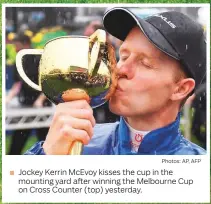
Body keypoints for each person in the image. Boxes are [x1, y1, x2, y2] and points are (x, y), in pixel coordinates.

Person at [25, 8, 206, 155]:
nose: (120, 70)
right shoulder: (76, 141)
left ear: (181, 89)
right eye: (123, 56)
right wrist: (47, 160)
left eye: (144, 63)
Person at [6, 32, 51, 155]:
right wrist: (7, 98)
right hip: (25, 104)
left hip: (41, 107)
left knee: (46, 142)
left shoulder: (39, 58)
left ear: (26, 44)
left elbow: (47, 83)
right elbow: (17, 84)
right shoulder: (18, 60)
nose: (15, 48)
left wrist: (40, 100)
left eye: (17, 45)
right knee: (17, 141)